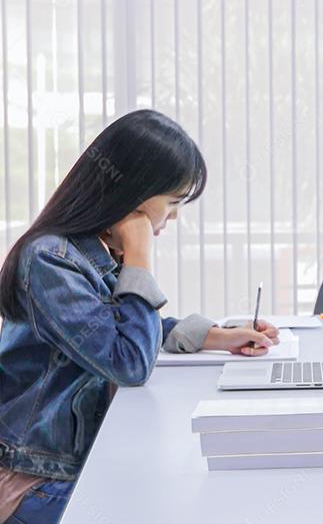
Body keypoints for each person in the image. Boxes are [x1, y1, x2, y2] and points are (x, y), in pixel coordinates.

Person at [0, 110, 280, 523]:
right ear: (133, 195)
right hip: (35, 479)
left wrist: (216, 336)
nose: (175, 216)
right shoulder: (50, 261)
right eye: (173, 201)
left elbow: (115, 329)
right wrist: (139, 254)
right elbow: (129, 361)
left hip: (74, 464)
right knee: (182, 503)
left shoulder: (88, 253)